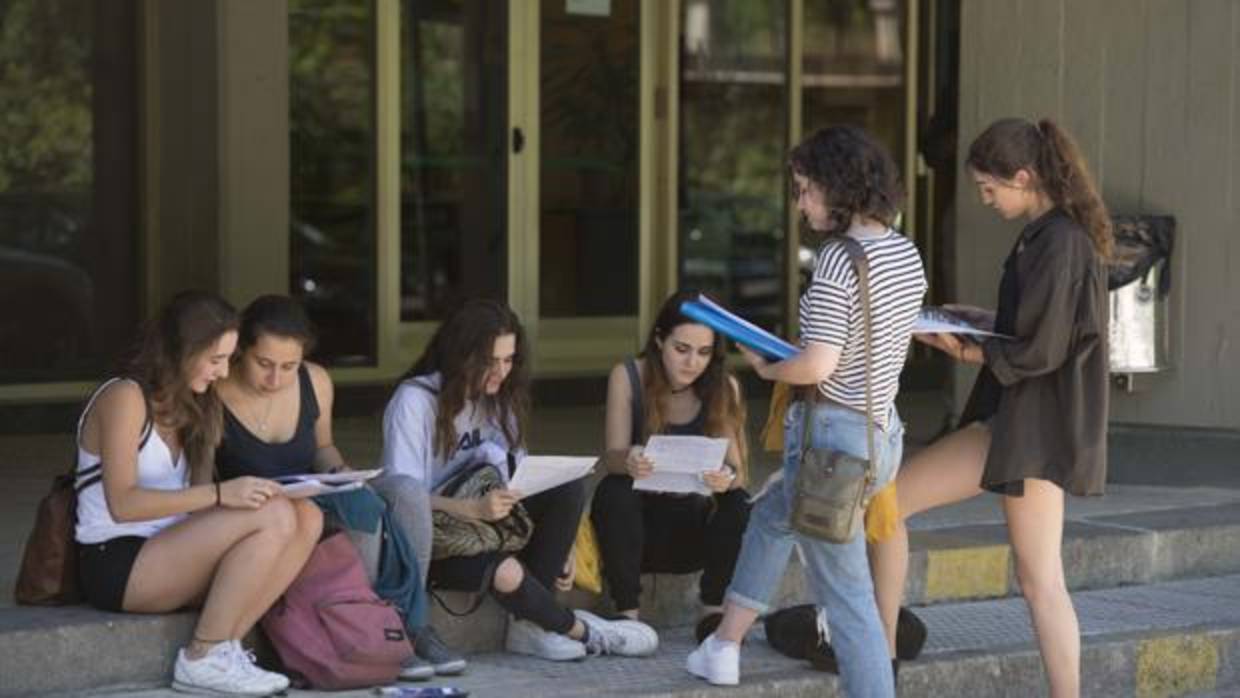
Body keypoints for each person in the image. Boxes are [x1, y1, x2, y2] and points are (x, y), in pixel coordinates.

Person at [870, 117, 1111, 698]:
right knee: (889, 510)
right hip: (1023, 423)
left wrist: (966, 348)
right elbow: (1037, 330)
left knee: (1036, 578)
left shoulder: (1058, 240)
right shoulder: (1053, 234)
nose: (984, 198)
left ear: (1024, 177)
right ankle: (879, 659)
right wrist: (978, 323)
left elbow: (1043, 348)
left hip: (1029, 428)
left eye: (989, 187)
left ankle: (880, 661)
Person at [685, 125, 927, 696]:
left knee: (849, 603)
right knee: (770, 519)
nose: (799, 204)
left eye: (804, 189)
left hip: (831, 444)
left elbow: (818, 365)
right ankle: (723, 646)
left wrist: (769, 367)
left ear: (838, 186)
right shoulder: (903, 250)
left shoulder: (839, 259)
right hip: (879, 433)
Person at [379, 298, 658, 662]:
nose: (500, 372)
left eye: (508, 360)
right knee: (507, 572)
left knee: (567, 485)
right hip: (435, 540)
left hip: (489, 521)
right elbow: (402, 499)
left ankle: (531, 628)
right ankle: (584, 631)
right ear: (459, 355)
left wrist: (566, 543)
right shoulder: (415, 401)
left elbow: (522, 478)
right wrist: (470, 509)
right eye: (489, 361)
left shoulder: (501, 398)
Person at [74, 290, 322, 696]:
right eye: (216, 359)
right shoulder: (124, 397)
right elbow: (124, 504)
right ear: (183, 351)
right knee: (272, 514)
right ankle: (201, 656)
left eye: (228, 359)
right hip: (118, 559)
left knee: (305, 514)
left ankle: (225, 649)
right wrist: (221, 495)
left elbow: (197, 499)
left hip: (172, 548)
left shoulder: (194, 402)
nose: (224, 373)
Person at [213, 294, 465, 680]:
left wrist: (344, 473)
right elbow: (204, 481)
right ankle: (366, 631)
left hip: (313, 489)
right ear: (240, 351)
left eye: (288, 366)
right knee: (358, 511)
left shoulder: (315, 380)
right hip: (265, 513)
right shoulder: (214, 393)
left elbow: (323, 448)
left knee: (405, 494)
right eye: (263, 364)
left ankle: (412, 626)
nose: (276, 379)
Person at [590, 289, 750, 641]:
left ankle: (713, 610)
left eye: (704, 352)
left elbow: (738, 473)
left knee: (739, 503)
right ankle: (627, 614)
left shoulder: (723, 386)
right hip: (639, 528)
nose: (692, 362)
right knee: (612, 490)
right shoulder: (628, 376)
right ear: (660, 340)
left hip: (693, 524)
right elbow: (612, 456)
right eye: (682, 349)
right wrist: (629, 458)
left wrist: (725, 478)